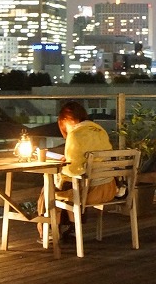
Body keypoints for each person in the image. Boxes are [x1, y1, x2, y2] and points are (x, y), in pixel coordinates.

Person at [40, 101, 117, 238]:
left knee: (50, 189)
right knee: (72, 187)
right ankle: (74, 228)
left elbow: (73, 171)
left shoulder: (75, 135)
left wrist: (61, 171)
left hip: (91, 193)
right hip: (109, 188)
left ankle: (50, 232)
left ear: (66, 120)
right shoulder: (100, 131)